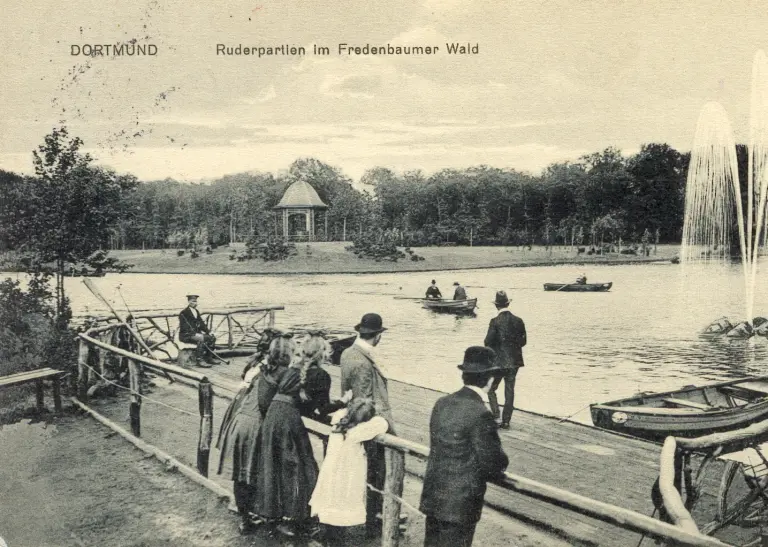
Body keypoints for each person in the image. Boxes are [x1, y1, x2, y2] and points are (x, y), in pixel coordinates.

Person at [420, 346, 509, 547]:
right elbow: (493, 463)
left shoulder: (442, 403)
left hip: (434, 498)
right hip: (460, 506)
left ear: (464, 375)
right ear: (490, 379)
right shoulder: (481, 413)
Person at [216, 336, 296, 535]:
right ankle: (267, 517)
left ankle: (246, 518)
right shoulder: (285, 374)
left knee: (242, 475)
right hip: (256, 426)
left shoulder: (262, 370)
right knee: (261, 471)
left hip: (240, 421)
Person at [339, 312, 395, 537]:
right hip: (369, 423)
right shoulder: (365, 361)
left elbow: (347, 390)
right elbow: (365, 400)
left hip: (352, 416)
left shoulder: (347, 353)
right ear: (377, 335)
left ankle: (370, 516)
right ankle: (372, 522)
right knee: (375, 473)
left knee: (365, 472)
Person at [253, 362, 319, 538]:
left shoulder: (282, 387)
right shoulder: (294, 395)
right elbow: (304, 400)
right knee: (297, 467)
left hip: (273, 417)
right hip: (288, 420)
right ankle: (292, 518)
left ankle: (274, 512)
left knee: (272, 467)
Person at [310, 398, 389, 544]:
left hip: (330, 477)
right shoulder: (357, 433)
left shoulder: (337, 427)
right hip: (345, 480)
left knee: (330, 516)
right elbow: (382, 423)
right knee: (341, 517)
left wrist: (351, 410)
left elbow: (341, 413)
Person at [484, 290, 526, 429]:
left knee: (491, 389)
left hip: (498, 363)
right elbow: (523, 341)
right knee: (510, 390)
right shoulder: (519, 320)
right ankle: (506, 421)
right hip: (514, 362)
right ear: (508, 303)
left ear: (496, 306)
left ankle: (496, 417)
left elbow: (487, 342)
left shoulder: (494, 322)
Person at [298, 333, 349, 425]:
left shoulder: (295, 368)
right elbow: (323, 408)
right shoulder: (321, 375)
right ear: (323, 354)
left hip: (297, 415)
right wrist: (343, 401)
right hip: (306, 422)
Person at [178, 294, 217, 367]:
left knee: (212, 338)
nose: (195, 303)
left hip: (195, 334)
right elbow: (184, 327)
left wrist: (208, 332)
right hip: (186, 335)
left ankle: (209, 358)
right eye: (193, 301)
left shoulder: (196, 311)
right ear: (189, 302)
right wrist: (194, 333)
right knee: (201, 339)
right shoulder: (183, 313)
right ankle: (200, 360)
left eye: (196, 301)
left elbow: (201, 323)